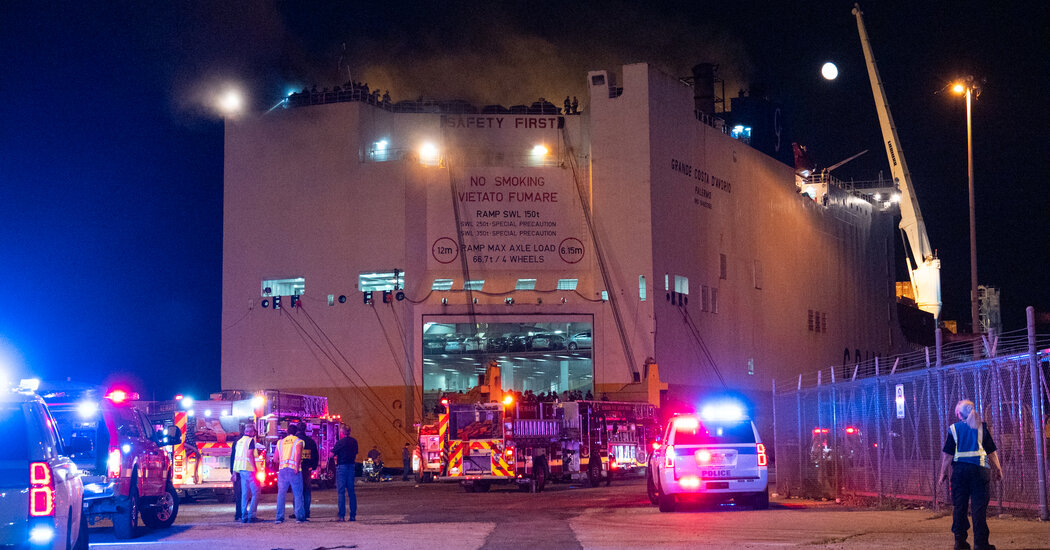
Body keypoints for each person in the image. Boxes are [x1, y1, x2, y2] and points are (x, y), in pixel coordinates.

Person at [939, 399, 1003, 550]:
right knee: (979, 509)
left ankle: (960, 542)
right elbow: (991, 451)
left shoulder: (954, 429)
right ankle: (981, 544)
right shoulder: (981, 427)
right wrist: (999, 469)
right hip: (980, 472)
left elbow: (948, 455)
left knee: (960, 508)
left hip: (960, 473)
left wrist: (942, 473)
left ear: (959, 414)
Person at [273, 423, 307, 524]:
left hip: (283, 470)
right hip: (294, 470)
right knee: (297, 494)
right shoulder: (299, 441)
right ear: (296, 432)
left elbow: (275, 458)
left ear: (287, 432)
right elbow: (298, 454)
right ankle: (299, 517)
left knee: (281, 494)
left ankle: (279, 518)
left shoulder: (280, 442)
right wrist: (296, 467)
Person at [231, 423, 262, 523]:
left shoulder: (239, 442)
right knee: (256, 492)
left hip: (241, 471)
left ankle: (243, 516)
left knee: (244, 494)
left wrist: (234, 472)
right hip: (250, 470)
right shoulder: (250, 441)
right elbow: (250, 455)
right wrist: (255, 470)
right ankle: (251, 515)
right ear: (251, 432)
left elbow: (236, 458)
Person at [332, 425, 359, 522]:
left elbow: (332, 453)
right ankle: (352, 516)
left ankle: (341, 516)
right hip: (351, 466)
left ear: (342, 432)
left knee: (341, 492)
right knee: (351, 492)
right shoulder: (354, 441)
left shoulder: (340, 442)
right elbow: (356, 452)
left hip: (342, 467)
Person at [298, 425, 319, 519]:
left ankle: (298, 512)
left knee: (298, 491)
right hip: (307, 469)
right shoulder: (311, 441)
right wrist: (313, 467)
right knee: (307, 491)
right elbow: (315, 455)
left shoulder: (295, 441)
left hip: (297, 469)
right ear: (305, 429)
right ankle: (306, 512)